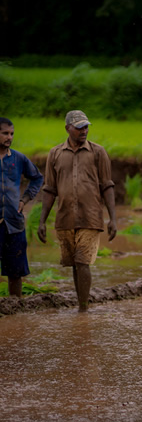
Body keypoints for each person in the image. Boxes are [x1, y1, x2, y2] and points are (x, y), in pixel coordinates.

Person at [37, 110, 117, 311]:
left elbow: (107, 186)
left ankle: (83, 309)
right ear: (68, 129)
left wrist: (113, 219)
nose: (84, 130)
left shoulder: (98, 152)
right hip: (65, 217)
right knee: (74, 263)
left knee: (82, 262)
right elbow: (49, 189)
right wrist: (42, 221)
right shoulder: (55, 154)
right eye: (79, 127)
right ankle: (81, 305)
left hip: (90, 217)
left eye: (86, 126)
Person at [0, 117, 44, 299]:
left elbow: (37, 178)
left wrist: (24, 199)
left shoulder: (18, 159)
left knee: (15, 271)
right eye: (5, 133)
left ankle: (15, 306)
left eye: (11, 134)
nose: (9, 137)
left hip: (13, 222)